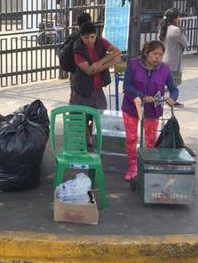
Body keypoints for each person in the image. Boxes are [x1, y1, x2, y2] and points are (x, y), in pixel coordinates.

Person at [121, 41, 179, 181]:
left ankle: (148, 165)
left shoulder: (165, 69)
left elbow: (173, 89)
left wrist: (172, 97)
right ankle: (133, 167)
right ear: (147, 53)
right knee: (132, 138)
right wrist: (141, 96)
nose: (157, 57)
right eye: (154, 54)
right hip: (132, 107)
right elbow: (126, 87)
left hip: (154, 109)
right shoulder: (133, 65)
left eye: (160, 54)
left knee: (151, 140)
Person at [71, 21, 122, 146]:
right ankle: (86, 144)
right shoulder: (78, 50)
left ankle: (93, 142)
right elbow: (89, 71)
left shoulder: (100, 42)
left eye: (92, 37)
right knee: (81, 118)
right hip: (82, 90)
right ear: (81, 37)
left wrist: (99, 63)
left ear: (96, 35)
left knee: (99, 117)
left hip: (98, 89)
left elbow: (117, 51)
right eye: (86, 37)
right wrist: (110, 63)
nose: (89, 40)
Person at [58, 11, 92, 88]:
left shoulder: (73, 35)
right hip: (83, 71)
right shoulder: (86, 37)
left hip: (73, 72)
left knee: (75, 94)